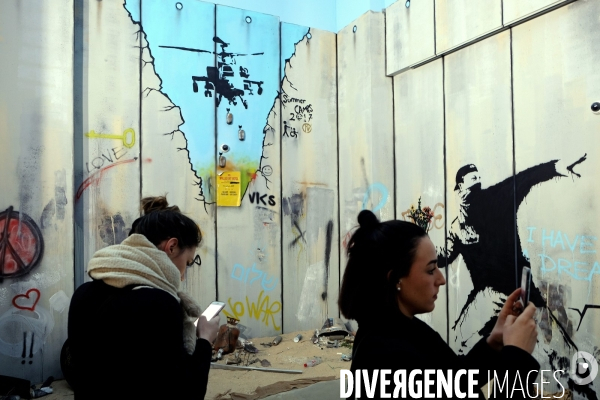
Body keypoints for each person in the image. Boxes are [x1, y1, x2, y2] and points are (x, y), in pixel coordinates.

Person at [339, 210, 540, 399]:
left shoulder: (403, 329)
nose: (441, 279)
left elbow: (454, 381)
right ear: (395, 280)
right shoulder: (387, 356)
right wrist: (517, 357)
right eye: (430, 270)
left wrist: (494, 342)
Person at [66, 196, 220, 399]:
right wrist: (205, 339)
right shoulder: (160, 304)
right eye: (187, 262)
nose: (183, 275)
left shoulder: (83, 293)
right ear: (171, 247)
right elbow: (187, 393)